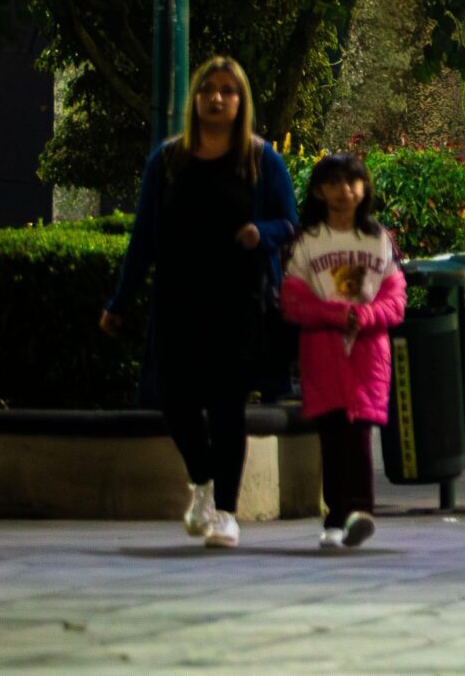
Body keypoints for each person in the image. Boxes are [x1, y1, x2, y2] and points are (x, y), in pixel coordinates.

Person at [100, 58, 298, 550]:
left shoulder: (260, 159)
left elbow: (291, 222)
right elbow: (143, 236)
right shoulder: (168, 161)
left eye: (228, 90)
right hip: (178, 301)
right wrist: (120, 300)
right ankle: (202, 482)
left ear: (241, 101)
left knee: (228, 407)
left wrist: (262, 233)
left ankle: (227, 512)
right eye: (208, 89)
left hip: (239, 302)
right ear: (195, 98)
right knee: (175, 400)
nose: (216, 98)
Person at [281, 152, 406, 551]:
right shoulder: (307, 243)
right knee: (333, 435)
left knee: (359, 433)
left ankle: (359, 511)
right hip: (323, 353)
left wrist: (365, 317)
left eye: (351, 182)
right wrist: (336, 315)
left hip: (368, 354)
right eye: (333, 183)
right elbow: (294, 301)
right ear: (318, 191)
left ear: (364, 189)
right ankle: (336, 516)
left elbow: (395, 299)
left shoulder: (378, 240)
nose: (343, 191)